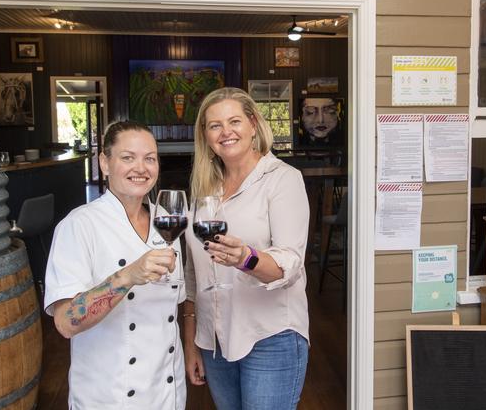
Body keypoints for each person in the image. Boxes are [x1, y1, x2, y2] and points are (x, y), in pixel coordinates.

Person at [44, 120, 186, 410]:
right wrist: (127, 276)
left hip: (167, 392)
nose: (141, 168)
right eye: (127, 157)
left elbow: (174, 309)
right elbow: (66, 322)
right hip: (110, 396)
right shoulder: (79, 225)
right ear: (104, 163)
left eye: (150, 158)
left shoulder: (167, 221)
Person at [183, 87, 310, 409]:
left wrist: (246, 258)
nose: (226, 132)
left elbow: (290, 265)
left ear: (253, 124)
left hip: (271, 335)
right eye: (215, 125)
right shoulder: (204, 188)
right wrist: (191, 341)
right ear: (206, 136)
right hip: (214, 339)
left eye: (235, 121)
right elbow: (193, 275)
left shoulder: (282, 179)